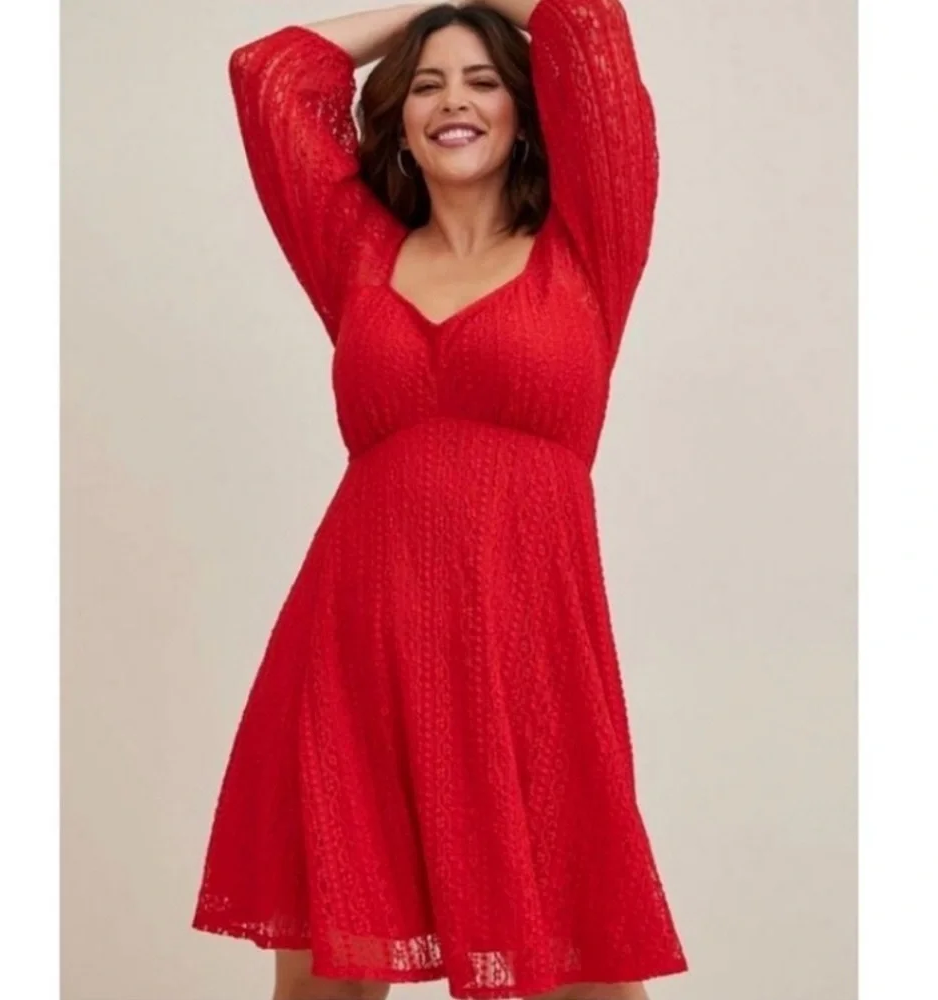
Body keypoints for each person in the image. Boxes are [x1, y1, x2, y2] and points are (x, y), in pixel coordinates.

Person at [193, 2, 687, 998]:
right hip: (356, 648)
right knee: (329, 974)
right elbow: (267, 73)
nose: (453, 101)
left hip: (526, 652)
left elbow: (588, 28)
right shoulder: (357, 254)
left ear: (526, 111)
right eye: (426, 86)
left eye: (481, 81)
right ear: (400, 122)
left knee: (578, 968)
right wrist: (428, 8)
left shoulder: (587, 245)